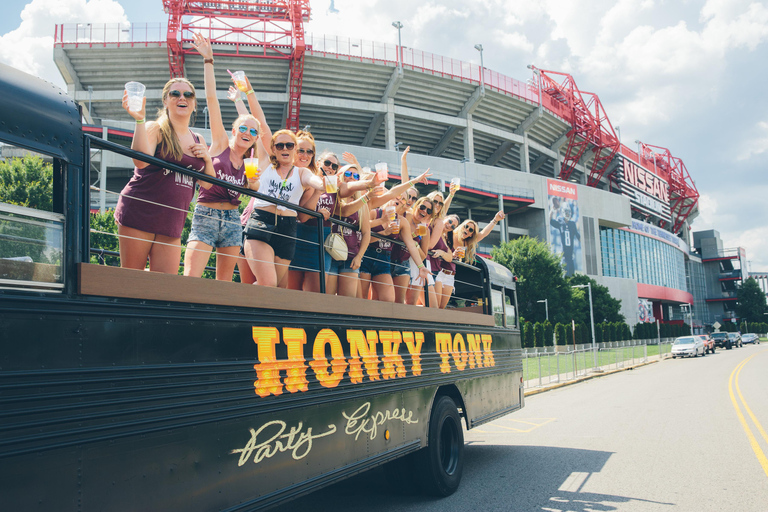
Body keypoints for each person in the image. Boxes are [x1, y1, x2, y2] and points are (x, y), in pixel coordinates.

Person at [115, 77, 215, 274]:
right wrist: (139, 120)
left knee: (163, 289)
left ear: (194, 104)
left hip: (171, 222)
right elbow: (140, 161)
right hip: (140, 213)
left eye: (188, 94)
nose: (182, 98)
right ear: (166, 101)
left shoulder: (199, 139)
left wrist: (208, 160)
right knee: (132, 281)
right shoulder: (156, 128)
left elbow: (207, 184)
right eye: (175, 94)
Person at [184, 34, 260, 281]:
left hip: (233, 220)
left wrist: (254, 182)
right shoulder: (219, 143)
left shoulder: (250, 164)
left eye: (253, 131)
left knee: (223, 284)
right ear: (234, 130)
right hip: (206, 213)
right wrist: (208, 60)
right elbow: (212, 100)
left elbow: (253, 189)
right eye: (244, 128)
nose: (248, 133)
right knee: (192, 278)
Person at [241, 130, 328, 287]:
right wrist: (251, 181)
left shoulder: (301, 172)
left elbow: (313, 180)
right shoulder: (266, 164)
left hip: (287, 229)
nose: (284, 149)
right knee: (268, 283)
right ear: (274, 149)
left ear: (295, 148)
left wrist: (322, 185)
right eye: (279, 146)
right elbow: (254, 185)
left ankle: (246, 307)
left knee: (276, 287)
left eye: (289, 145)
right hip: (262, 222)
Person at [405, 196, 438, 307]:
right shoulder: (406, 217)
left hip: (415, 265)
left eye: (428, 211)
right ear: (416, 205)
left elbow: (424, 256)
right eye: (422, 207)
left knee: (410, 304)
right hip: (399, 260)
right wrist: (413, 236)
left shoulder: (425, 230)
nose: (424, 211)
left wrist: (416, 245)